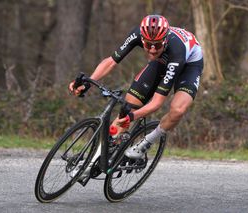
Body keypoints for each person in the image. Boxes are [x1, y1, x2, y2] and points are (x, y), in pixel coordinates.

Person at [69, 14, 203, 159]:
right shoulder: (137, 34)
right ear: (142, 39)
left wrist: (131, 117)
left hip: (189, 64)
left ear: (164, 41)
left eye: (157, 45)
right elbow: (111, 62)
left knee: (177, 110)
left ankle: (146, 143)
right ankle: (94, 156)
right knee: (129, 105)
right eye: (148, 45)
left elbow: (157, 103)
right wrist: (88, 82)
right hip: (161, 59)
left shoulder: (177, 51)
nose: (152, 50)